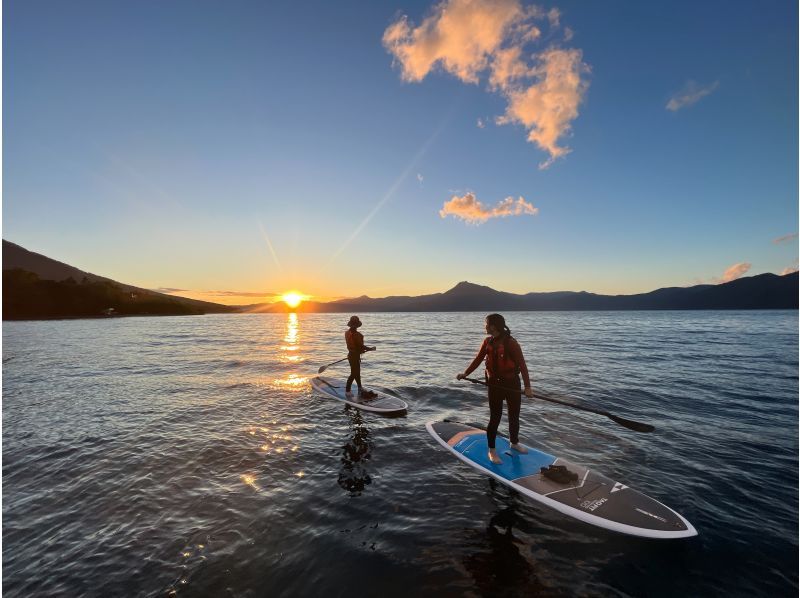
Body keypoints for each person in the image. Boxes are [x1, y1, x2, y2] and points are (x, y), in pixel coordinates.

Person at [457, 313, 533, 464]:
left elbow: (523, 366)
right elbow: (478, 359)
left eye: (486, 324)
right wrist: (465, 373)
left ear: (493, 326)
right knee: (495, 417)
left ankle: (514, 443)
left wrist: (528, 387)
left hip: (512, 384)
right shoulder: (487, 342)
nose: (484, 326)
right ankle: (492, 450)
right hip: (494, 385)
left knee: (514, 416)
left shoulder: (511, 343)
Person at [345, 316, 376, 399]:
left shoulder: (347, 333)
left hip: (351, 355)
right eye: (355, 325)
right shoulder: (356, 335)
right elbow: (361, 346)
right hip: (354, 356)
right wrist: (371, 349)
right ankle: (347, 390)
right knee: (354, 373)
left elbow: (356, 346)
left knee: (357, 372)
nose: (355, 327)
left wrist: (360, 350)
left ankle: (359, 387)